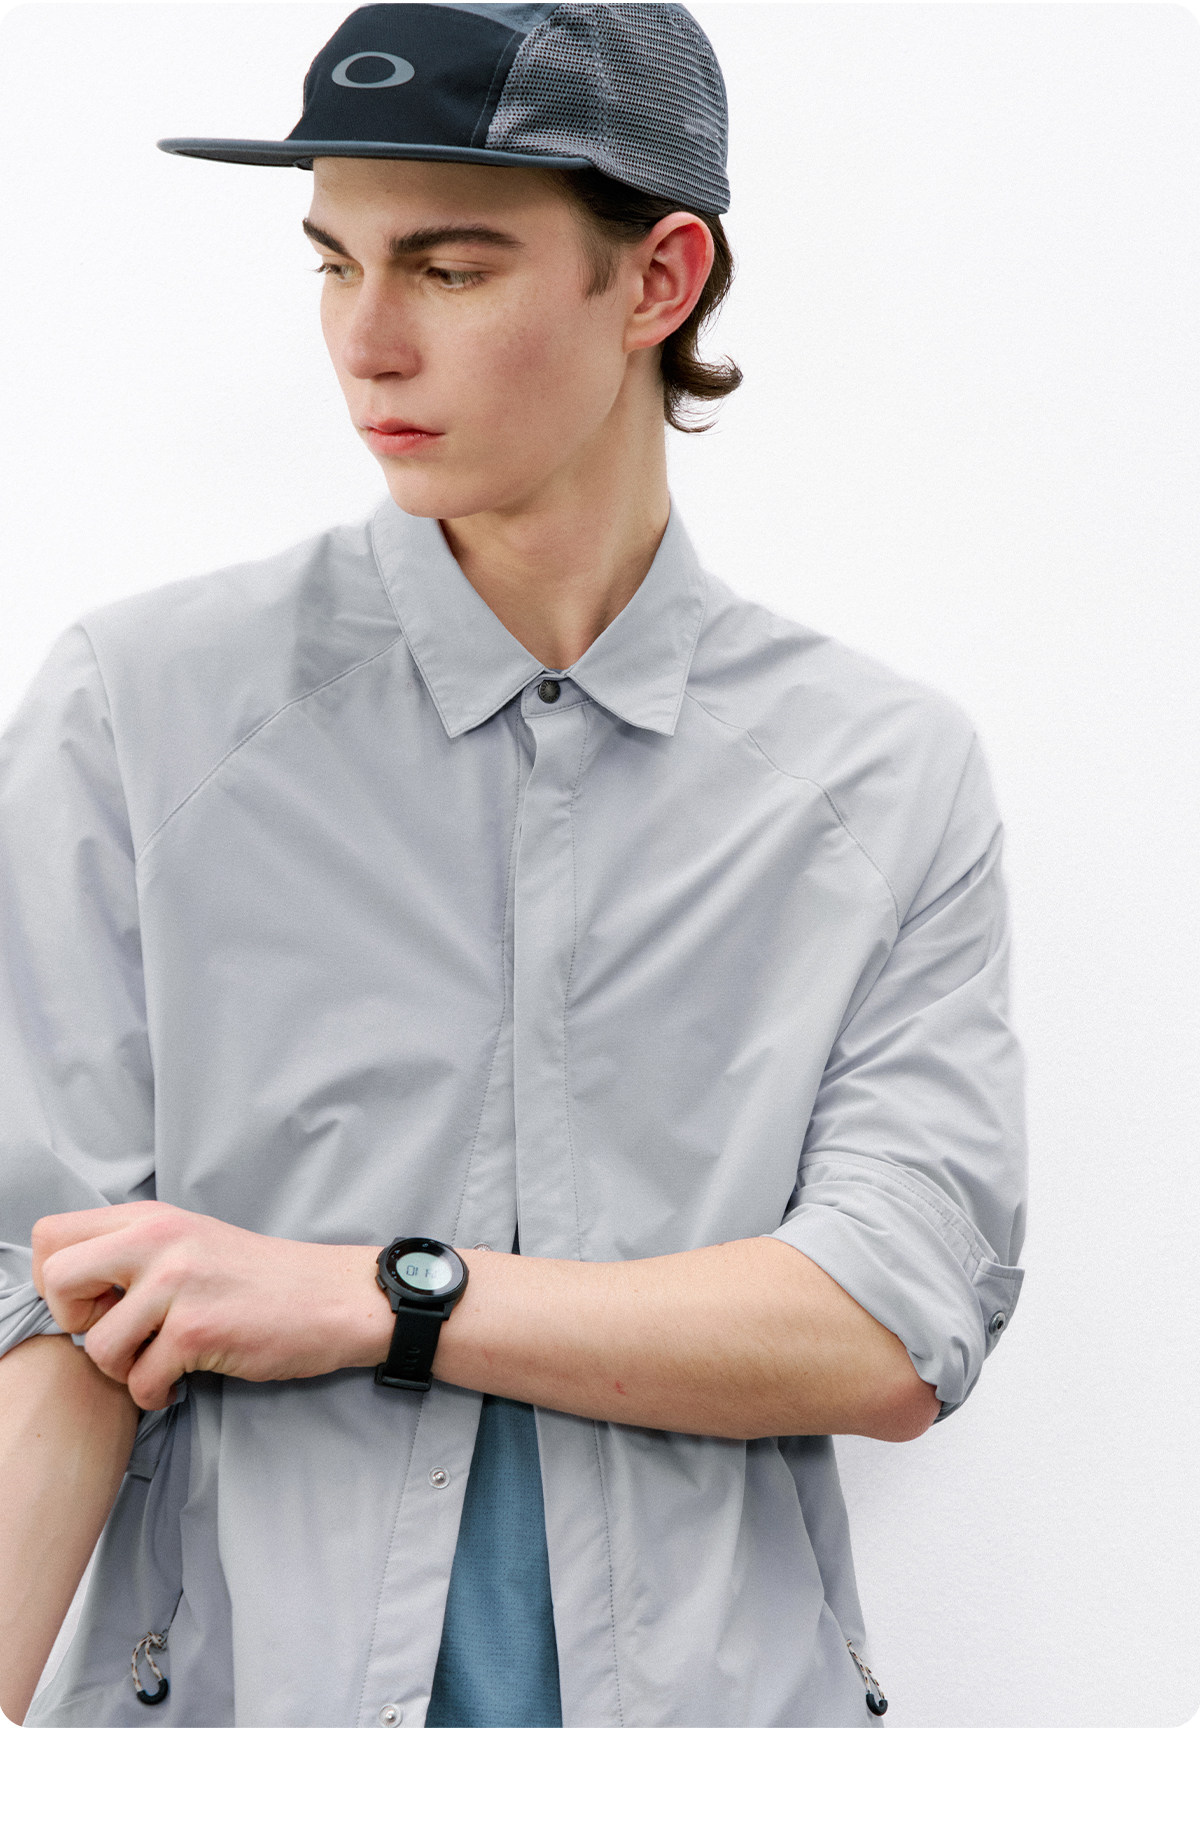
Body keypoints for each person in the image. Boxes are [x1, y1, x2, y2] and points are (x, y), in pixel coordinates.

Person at [0, 3, 1026, 1729]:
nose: (366, 344)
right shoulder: (140, 715)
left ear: (658, 279)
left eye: (450, 269)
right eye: (334, 263)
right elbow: (48, 1311)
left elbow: (888, 1324)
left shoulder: (878, 776)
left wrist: (379, 1297)